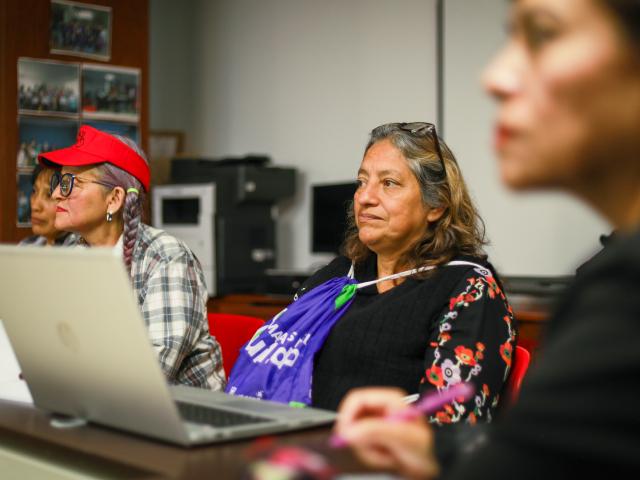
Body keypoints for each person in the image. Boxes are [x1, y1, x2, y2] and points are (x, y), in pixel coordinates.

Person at [333, 0, 640, 477]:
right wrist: (434, 448)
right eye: (361, 181)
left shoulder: (619, 293)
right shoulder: (608, 279)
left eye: (543, 35)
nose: (494, 77)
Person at [298, 122, 516, 416]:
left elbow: (449, 423)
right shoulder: (339, 274)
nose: (364, 197)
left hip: (374, 456)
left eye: (388, 183)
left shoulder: (468, 288)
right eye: (362, 181)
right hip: (289, 442)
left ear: (436, 204)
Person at [38, 125, 226, 390]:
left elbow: (151, 371)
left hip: (182, 414)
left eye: (70, 183)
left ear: (114, 199)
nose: (56, 193)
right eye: (59, 182)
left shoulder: (166, 258)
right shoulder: (72, 253)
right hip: (100, 403)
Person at [19, 164, 75, 246]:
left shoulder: (78, 252)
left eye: (49, 195)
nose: (35, 207)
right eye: (34, 191)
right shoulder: (26, 245)